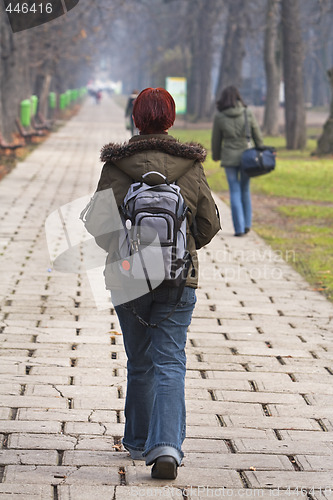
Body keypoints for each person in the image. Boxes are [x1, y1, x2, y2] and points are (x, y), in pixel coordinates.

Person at [95, 88, 220, 479]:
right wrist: (179, 249)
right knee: (170, 360)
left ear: (136, 119)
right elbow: (209, 224)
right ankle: (165, 446)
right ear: (171, 120)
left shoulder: (117, 165)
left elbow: (98, 225)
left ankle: (136, 442)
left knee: (139, 361)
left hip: (128, 280)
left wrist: (130, 253)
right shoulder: (189, 165)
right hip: (178, 279)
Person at [211, 85, 264, 236]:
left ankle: (239, 228)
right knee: (245, 189)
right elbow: (256, 133)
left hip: (229, 157)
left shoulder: (220, 116)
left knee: (234, 191)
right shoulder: (247, 113)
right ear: (238, 97)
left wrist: (216, 155)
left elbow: (216, 139)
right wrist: (260, 148)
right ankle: (247, 224)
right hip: (247, 157)